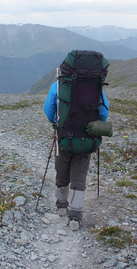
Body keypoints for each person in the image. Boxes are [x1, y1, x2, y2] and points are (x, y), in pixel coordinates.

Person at [43, 79, 109, 231]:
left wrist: (57, 123)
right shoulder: (94, 85)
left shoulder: (59, 84)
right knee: (79, 175)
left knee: (62, 169)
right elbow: (104, 111)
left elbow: (48, 109)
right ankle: (75, 215)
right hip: (86, 137)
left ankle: (61, 205)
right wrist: (95, 127)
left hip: (64, 135)